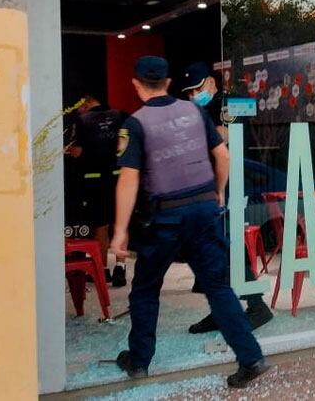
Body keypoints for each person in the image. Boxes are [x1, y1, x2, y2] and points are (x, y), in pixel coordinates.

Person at [110, 56, 269, 387]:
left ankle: (139, 361)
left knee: (145, 289)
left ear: (136, 85)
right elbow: (222, 155)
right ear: (168, 83)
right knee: (218, 285)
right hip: (203, 209)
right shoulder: (195, 112)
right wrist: (219, 193)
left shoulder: (135, 124)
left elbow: (129, 178)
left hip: (165, 217)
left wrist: (120, 231)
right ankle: (250, 357)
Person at [180, 61, 273, 334]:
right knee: (215, 250)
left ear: (211, 82)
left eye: (196, 89)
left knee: (227, 248)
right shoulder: (203, 108)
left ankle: (256, 306)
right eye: (188, 93)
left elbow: (227, 137)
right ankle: (223, 309)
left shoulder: (229, 102)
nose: (193, 96)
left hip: (230, 188)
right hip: (210, 189)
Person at [67, 95, 127, 286]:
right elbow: (125, 144)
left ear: (85, 104)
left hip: (95, 180)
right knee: (120, 222)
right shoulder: (120, 116)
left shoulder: (82, 121)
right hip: (119, 176)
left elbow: (77, 152)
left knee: (100, 225)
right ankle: (121, 267)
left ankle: (102, 271)